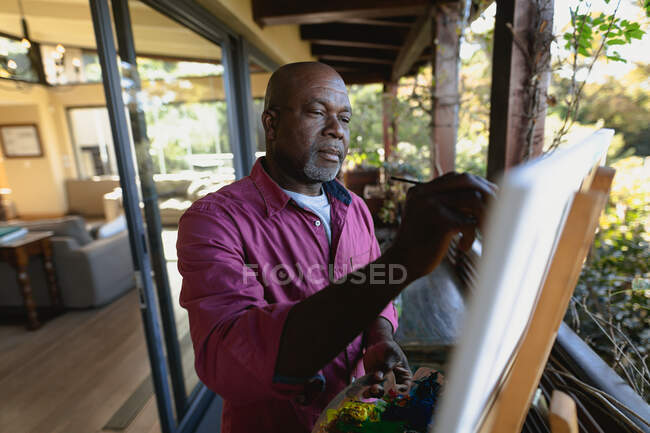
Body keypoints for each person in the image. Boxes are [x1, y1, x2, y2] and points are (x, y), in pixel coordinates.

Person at [177, 62, 495, 433]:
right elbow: (228, 363)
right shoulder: (214, 220)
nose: (336, 130)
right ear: (271, 123)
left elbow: (377, 288)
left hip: (358, 419)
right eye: (317, 112)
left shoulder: (354, 207)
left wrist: (380, 337)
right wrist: (405, 259)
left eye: (344, 118)